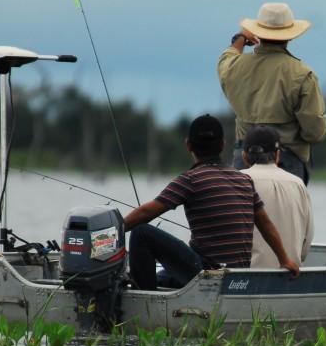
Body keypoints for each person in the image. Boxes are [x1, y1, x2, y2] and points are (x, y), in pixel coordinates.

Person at [122, 114, 299, 290]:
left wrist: (113, 231)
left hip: (207, 275)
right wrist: (285, 260)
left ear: (188, 145)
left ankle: (145, 302)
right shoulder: (244, 180)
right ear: (222, 145)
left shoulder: (190, 179)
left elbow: (145, 213)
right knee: (162, 277)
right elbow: (266, 224)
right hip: (238, 277)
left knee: (141, 233)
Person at [218, 2, 326, 185]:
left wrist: (240, 39)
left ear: (258, 33)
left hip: (243, 162)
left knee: (243, 213)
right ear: (290, 36)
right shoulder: (302, 74)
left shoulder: (233, 67)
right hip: (286, 163)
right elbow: (314, 133)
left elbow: (225, 59)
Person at [240, 126, 314, 268]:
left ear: (244, 157)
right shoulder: (298, 184)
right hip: (290, 277)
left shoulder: (238, 180)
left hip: (245, 280)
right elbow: (305, 248)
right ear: (278, 155)